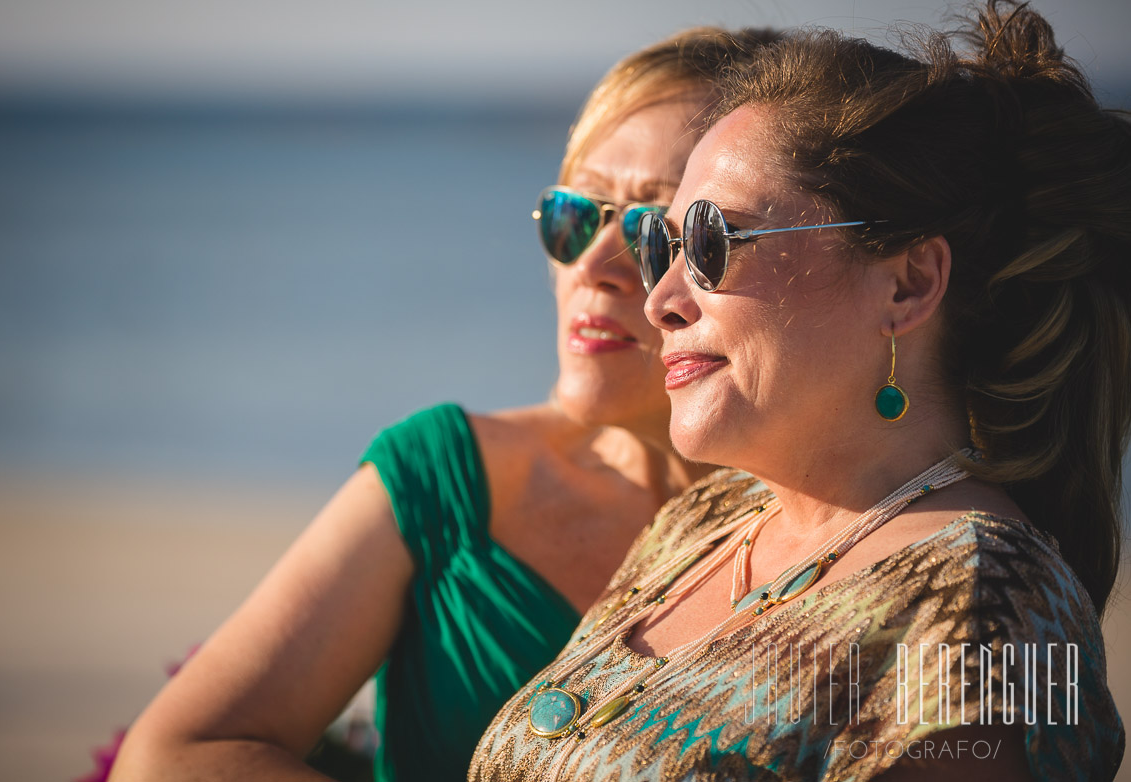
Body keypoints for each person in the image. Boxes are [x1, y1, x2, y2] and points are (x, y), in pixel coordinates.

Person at [470, 3, 1128, 780]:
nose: (661, 300)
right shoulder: (703, 525)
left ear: (907, 284)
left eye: (714, 241)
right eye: (663, 246)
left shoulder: (988, 603)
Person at [109, 27, 780, 782]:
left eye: (653, 231)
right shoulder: (444, 481)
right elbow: (176, 756)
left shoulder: (847, 529)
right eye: (574, 215)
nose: (594, 267)